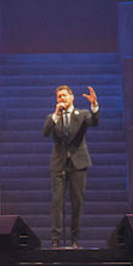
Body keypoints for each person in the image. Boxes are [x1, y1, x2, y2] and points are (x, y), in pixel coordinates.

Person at [43, 84, 99, 248]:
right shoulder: (53, 117)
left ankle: (75, 239)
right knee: (57, 202)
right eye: (59, 96)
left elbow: (94, 122)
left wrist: (94, 106)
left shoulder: (82, 114)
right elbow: (45, 132)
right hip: (59, 164)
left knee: (77, 202)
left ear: (71, 97)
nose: (62, 99)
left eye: (64, 96)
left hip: (78, 164)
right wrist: (55, 115)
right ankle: (56, 240)